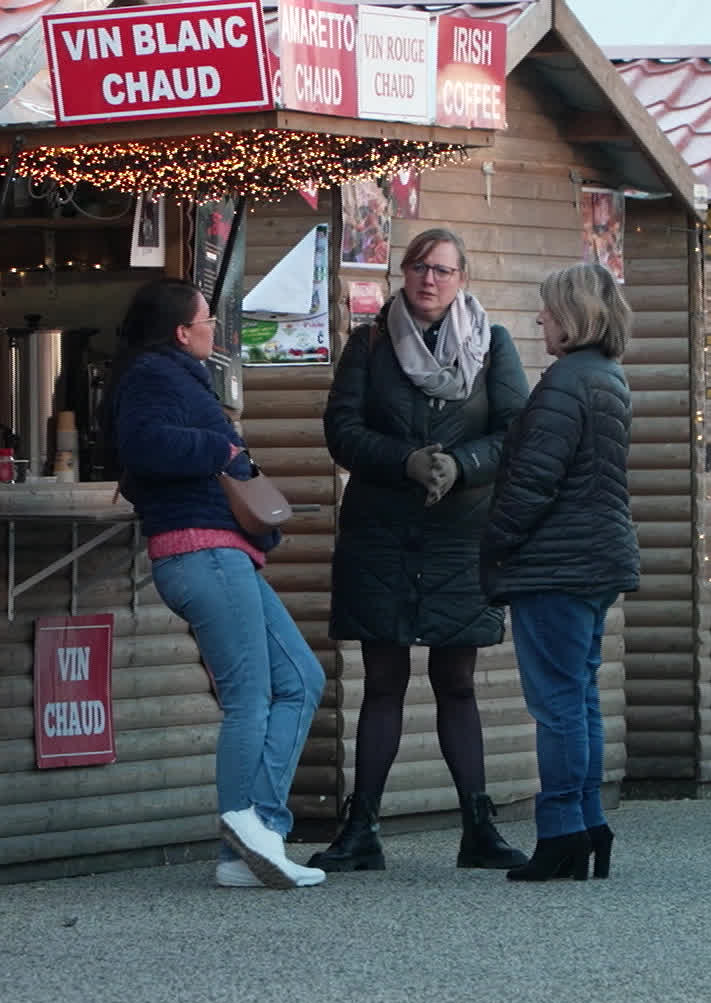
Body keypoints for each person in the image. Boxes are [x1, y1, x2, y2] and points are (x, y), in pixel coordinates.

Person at [312, 227, 530, 873]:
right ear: (402, 274)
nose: (429, 279)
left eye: (442, 270)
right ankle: (362, 830)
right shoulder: (370, 342)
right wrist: (404, 460)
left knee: (456, 682)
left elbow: (515, 433)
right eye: (418, 267)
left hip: (462, 534)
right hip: (380, 533)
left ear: (462, 279)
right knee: (382, 681)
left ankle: (478, 828)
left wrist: (461, 465)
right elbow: (342, 430)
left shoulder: (491, 343)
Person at [105, 279, 327, 890]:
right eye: (207, 319)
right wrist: (221, 448)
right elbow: (143, 446)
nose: (215, 329)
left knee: (301, 679)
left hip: (222, 553)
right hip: (200, 552)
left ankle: (257, 837)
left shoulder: (175, 376)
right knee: (249, 699)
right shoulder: (153, 376)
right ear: (182, 332)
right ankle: (248, 835)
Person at [482, 262, 640, 883]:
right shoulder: (608, 377)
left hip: (556, 564)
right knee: (580, 698)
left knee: (557, 706)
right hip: (597, 559)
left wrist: (495, 546)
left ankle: (561, 832)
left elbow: (531, 484)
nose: (539, 319)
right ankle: (589, 823)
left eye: (547, 309)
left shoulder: (564, 384)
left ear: (572, 315)